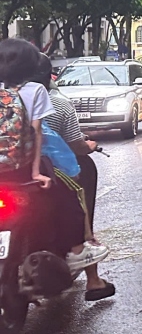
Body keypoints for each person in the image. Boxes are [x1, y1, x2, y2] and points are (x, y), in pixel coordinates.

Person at [0, 39, 107, 273]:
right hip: (22, 169)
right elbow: (38, 131)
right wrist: (37, 171)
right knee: (71, 193)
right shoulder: (35, 90)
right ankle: (78, 250)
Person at [34, 54, 115, 301]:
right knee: (81, 205)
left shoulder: (8, 99)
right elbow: (74, 145)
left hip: (14, 172)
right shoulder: (56, 102)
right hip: (50, 171)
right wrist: (88, 145)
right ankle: (92, 278)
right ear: (50, 75)